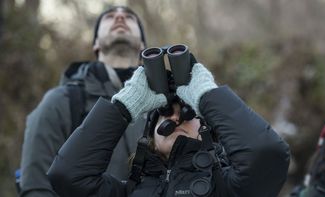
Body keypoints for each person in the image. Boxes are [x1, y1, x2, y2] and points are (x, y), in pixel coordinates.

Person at [47, 61, 291, 196]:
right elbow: (68, 176)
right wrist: (123, 106)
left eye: (188, 113)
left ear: (206, 127)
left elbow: (266, 154)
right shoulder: (126, 193)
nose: (176, 118)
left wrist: (207, 96)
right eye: (164, 113)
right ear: (150, 136)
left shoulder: (231, 187)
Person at [19, 6, 147, 197]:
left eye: (129, 17)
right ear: (96, 44)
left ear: (143, 45)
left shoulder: (166, 104)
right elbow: (37, 186)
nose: (120, 17)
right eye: (110, 17)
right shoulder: (61, 101)